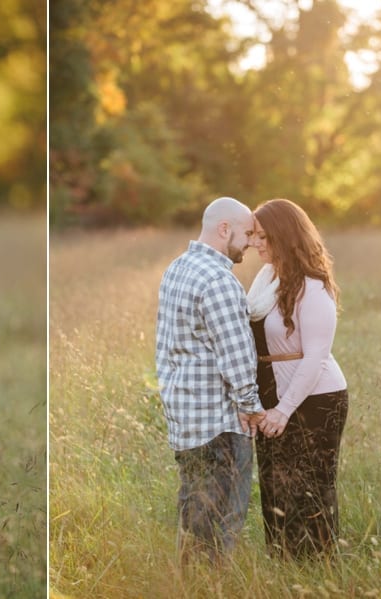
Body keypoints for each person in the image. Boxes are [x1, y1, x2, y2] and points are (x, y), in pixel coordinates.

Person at [155, 196, 265, 561]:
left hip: (185, 419)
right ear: (224, 229)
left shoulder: (178, 267)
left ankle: (190, 583)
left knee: (194, 514)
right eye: (247, 233)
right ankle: (208, 586)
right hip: (218, 423)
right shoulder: (219, 281)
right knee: (220, 525)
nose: (251, 241)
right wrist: (251, 407)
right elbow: (236, 358)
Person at [246, 198, 348, 558]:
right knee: (276, 487)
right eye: (252, 236)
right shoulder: (267, 278)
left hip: (315, 399)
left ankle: (319, 569)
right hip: (275, 397)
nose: (254, 243)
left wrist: (284, 409)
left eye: (262, 236)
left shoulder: (313, 285)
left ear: (284, 235)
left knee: (310, 489)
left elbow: (316, 357)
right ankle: (285, 567)